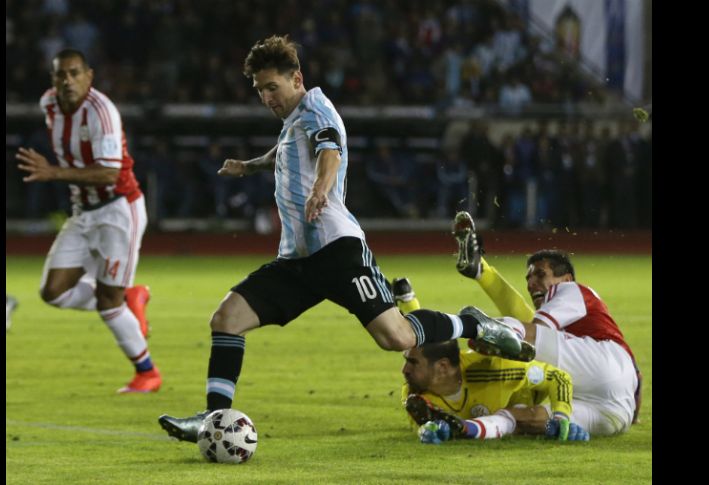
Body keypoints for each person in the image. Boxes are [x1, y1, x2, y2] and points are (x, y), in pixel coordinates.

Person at [158, 35, 527, 442]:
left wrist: (321, 187)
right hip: (297, 260)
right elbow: (284, 153)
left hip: (338, 250)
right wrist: (247, 166)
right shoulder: (293, 123)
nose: (266, 97)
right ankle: (213, 420)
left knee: (398, 337)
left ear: (296, 78)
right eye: (260, 90)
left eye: (272, 88)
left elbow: (328, 150)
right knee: (226, 319)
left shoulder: (316, 109)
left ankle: (471, 324)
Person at [403, 211, 640, 436]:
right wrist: (635, 413)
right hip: (617, 412)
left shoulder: (573, 290)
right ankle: (465, 429)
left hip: (603, 365)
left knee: (517, 330)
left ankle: (458, 325)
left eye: (540, 274)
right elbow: (635, 374)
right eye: (528, 277)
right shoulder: (573, 328)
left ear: (565, 278)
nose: (530, 283)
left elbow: (532, 328)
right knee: (520, 419)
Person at [15, 49, 160, 393]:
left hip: (117, 211)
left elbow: (109, 173)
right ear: (52, 79)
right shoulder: (49, 104)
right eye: (60, 74)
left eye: (74, 73)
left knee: (107, 305)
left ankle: (147, 373)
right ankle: (130, 298)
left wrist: (53, 173)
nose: (67, 80)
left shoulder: (101, 113)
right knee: (53, 292)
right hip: (83, 213)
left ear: (89, 76)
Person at [402, 339, 590, 443]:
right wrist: (427, 431)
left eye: (413, 363)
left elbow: (558, 377)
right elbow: (423, 424)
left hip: (526, 407)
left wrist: (561, 418)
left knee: (531, 421)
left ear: (443, 367)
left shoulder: (494, 369)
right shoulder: (415, 392)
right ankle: (467, 428)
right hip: (502, 424)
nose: (405, 370)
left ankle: (467, 428)